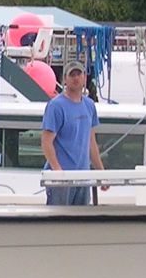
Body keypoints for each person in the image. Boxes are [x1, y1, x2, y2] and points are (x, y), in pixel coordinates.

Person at [41, 59, 105, 205]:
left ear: (84, 77)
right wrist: (58, 171)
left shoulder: (90, 105)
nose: (76, 78)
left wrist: (101, 173)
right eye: (72, 75)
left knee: (81, 224)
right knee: (59, 223)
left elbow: (91, 142)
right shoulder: (55, 106)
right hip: (61, 181)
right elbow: (46, 142)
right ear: (65, 80)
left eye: (79, 74)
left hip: (83, 178)